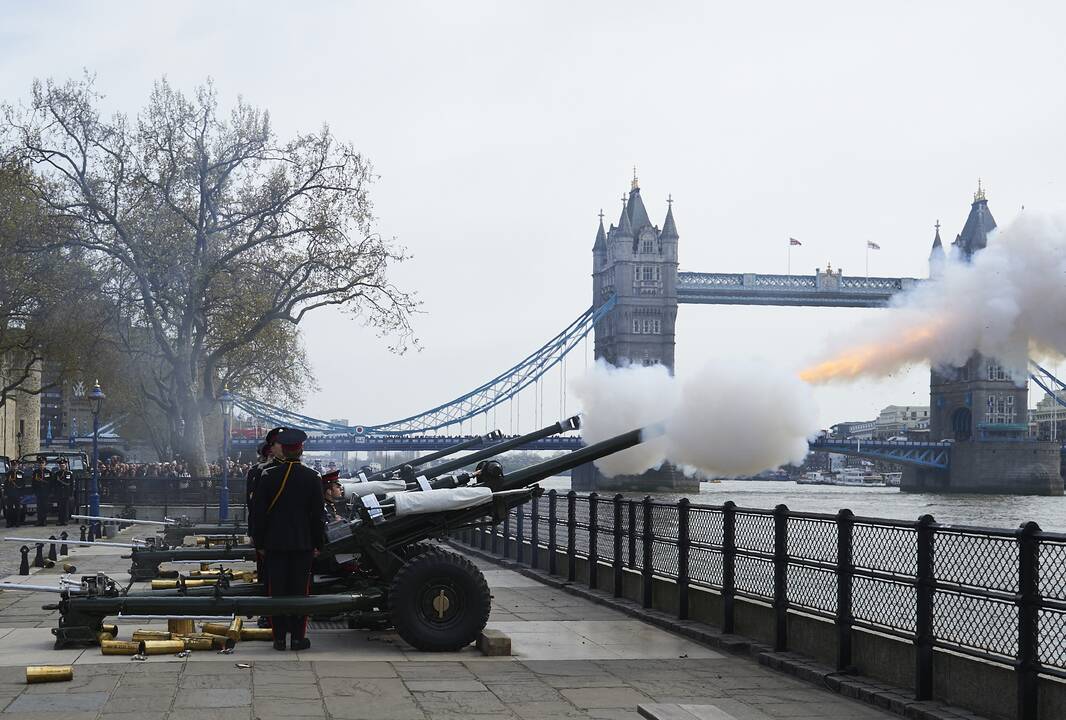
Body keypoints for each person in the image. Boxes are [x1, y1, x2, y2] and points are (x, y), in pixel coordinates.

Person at [250, 427, 324, 652]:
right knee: (300, 592)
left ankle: (279, 638)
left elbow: (258, 513)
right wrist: (318, 544)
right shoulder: (312, 477)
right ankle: (298, 638)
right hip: (302, 544)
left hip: (274, 544)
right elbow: (317, 516)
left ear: (282, 449)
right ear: (301, 450)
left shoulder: (268, 476)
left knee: (277, 591)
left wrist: (260, 543)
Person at [51, 458, 74, 526]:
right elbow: (54, 484)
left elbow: (71, 484)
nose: (62, 466)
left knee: (66, 507)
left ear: (66, 465)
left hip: (66, 493)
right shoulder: (57, 473)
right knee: (60, 507)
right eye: (61, 465)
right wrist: (55, 493)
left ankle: (65, 520)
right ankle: (60, 520)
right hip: (59, 493)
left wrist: (71, 493)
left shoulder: (69, 473)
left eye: (63, 465)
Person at [31, 456, 51, 526]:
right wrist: (34, 491)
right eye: (40, 463)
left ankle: (44, 521)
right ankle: (39, 521)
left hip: (46, 492)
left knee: (45, 507)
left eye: (42, 463)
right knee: (39, 507)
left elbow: (50, 483)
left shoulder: (48, 472)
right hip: (38, 492)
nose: (41, 465)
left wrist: (49, 492)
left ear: (45, 464)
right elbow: (33, 483)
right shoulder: (35, 472)